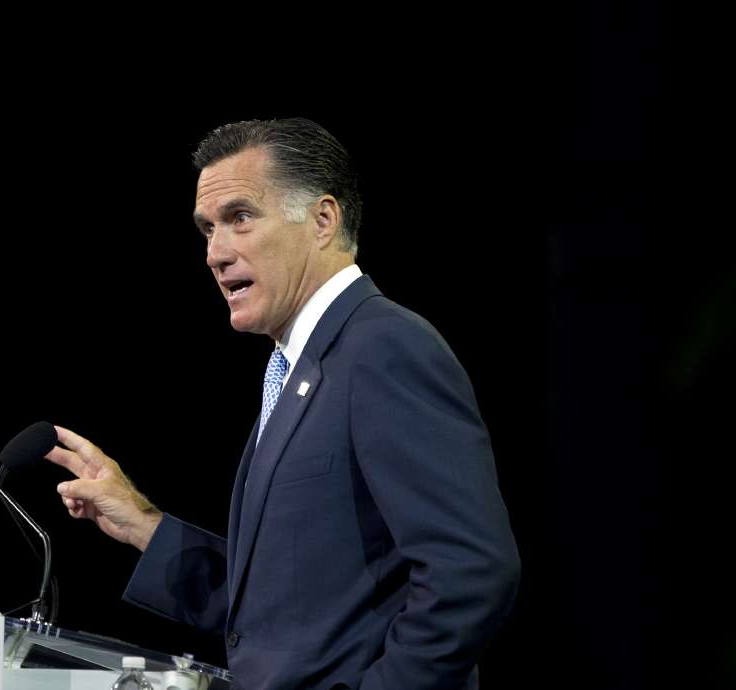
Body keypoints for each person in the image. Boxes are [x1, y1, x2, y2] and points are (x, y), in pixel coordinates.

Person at [45, 118, 519, 690]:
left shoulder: (383, 347)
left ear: (323, 220)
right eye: (207, 229)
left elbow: (470, 573)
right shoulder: (301, 366)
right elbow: (283, 605)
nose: (214, 254)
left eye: (240, 218)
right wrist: (143, 524)